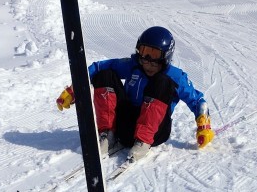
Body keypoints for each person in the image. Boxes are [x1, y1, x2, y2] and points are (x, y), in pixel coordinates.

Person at [56, 26, 215, 162]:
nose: (148, 63)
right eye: (144, 56)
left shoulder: (176, 76)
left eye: (154, 58)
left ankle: (142, 142)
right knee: (104, 73)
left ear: (165, 57)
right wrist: (75, 88)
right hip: (125, 127)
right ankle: (107, 134)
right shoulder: (134, 66)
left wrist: (204, 125)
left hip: (155, 132)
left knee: (162, 81)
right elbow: (97, 67)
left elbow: (198, 101)